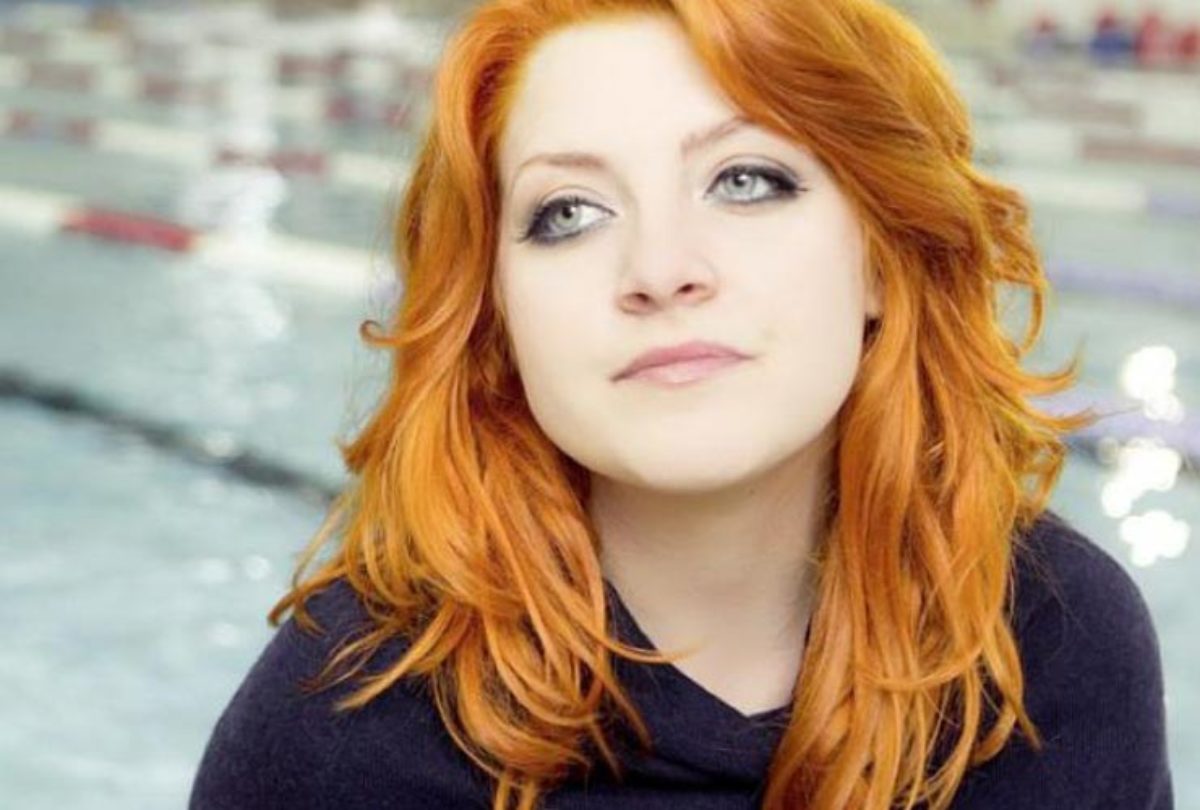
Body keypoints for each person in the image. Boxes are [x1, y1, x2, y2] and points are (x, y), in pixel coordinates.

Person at [189, 0, 1174, 808]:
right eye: (568, 213)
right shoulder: (347, 736)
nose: (660, 270)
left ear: (882, 253)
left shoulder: (1053, 646)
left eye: (746, 180)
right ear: (497, 317)